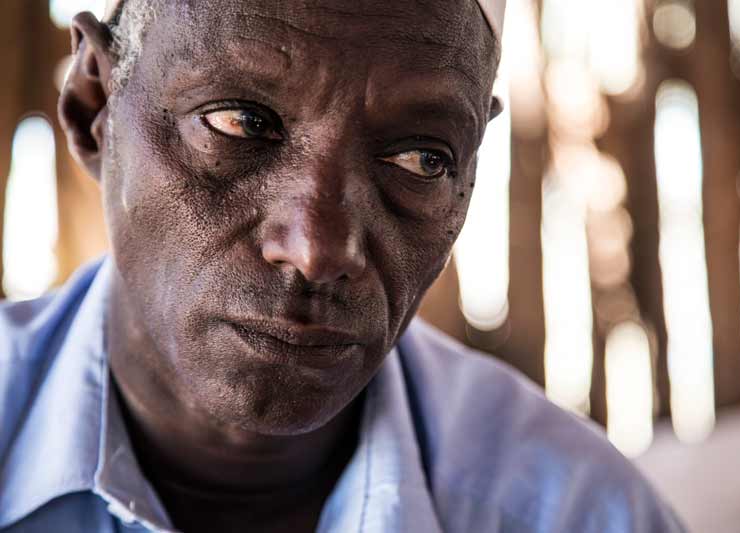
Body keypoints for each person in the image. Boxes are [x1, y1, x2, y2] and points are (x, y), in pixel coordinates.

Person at [0, 0, 685, 532]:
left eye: (421, 158)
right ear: (97, 107)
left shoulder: (575, 510)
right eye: (239, 121)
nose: (319, 247)